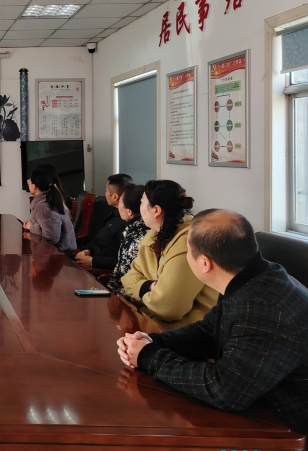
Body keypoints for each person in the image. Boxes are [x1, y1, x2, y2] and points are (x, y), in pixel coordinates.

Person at [117, 209, 308, 435]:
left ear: (205, 263)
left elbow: (225, 390)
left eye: (188, 250)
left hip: (282, 427)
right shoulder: (254, 277)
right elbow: (209, 331)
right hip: (258, 401)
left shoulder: (263, 308)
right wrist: (152, 342)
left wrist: (150, 357)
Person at [121, 180, 218, 329]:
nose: (139, 208)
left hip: (188, 331)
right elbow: (128, 278)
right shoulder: (154, 235)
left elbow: (168, 308)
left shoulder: (189, 242)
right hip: (153, 322)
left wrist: (140, 290)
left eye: (141, 202)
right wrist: (149, 286)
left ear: (156, 210)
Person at [75, 173, 133, 270]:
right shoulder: (114, 214)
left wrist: (92, 261)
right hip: (91, 257)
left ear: (115, 196)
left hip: (99, 268)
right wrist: (87, 250)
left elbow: (121, 261)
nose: (105, 194)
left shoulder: (127, 223)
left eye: (106, 191)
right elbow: (99, 238)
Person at [104, 184, 148, 298]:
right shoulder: (131, 230)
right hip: (117, 291)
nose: (118, 206)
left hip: (127, 298)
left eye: (120, 202)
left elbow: (129, 277)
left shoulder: (140, 237)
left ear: (129, 211)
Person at [23, 168, 76, 251]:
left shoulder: (43, 206)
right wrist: (32, 224)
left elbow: (51, 237)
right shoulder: (48, 199)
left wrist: (31, 227)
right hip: (60, 250)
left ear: (34, 186)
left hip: (60, 254)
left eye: (30, 181)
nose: (28, 183)